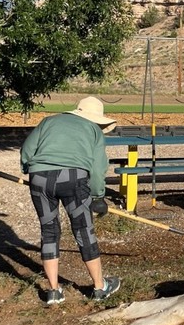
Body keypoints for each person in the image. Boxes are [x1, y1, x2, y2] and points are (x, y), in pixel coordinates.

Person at [20, 96, 122, 306]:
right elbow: (96, 169)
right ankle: (100, 287)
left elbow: (27, 151)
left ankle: (54, 291)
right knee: (83, 230)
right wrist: (98, 196)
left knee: (49, 230)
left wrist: (30, 171)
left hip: (39, 178)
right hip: (73, 179)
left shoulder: (49, 121)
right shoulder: (94, 130)